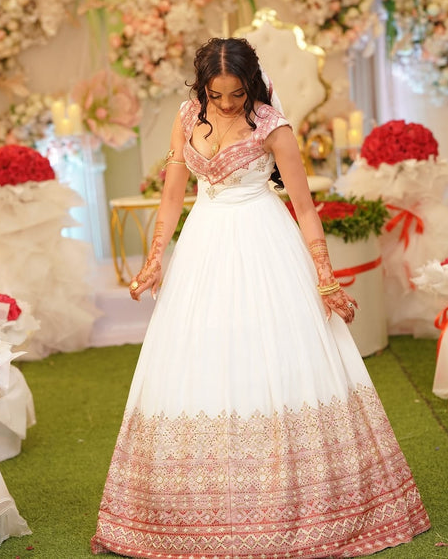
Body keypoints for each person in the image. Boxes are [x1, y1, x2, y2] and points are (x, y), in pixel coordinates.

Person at [91, 37, 430, 558]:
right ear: (201, 87)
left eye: (236, 93)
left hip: (263, 241)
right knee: (199, 358)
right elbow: (171, 197)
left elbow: (306, 208)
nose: (226, 105)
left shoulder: (274, 126)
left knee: (274, 352)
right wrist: (155, 257)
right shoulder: (186, 117)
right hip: (203, 244)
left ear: (252, 85)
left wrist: (325, 275)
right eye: (216, 94)